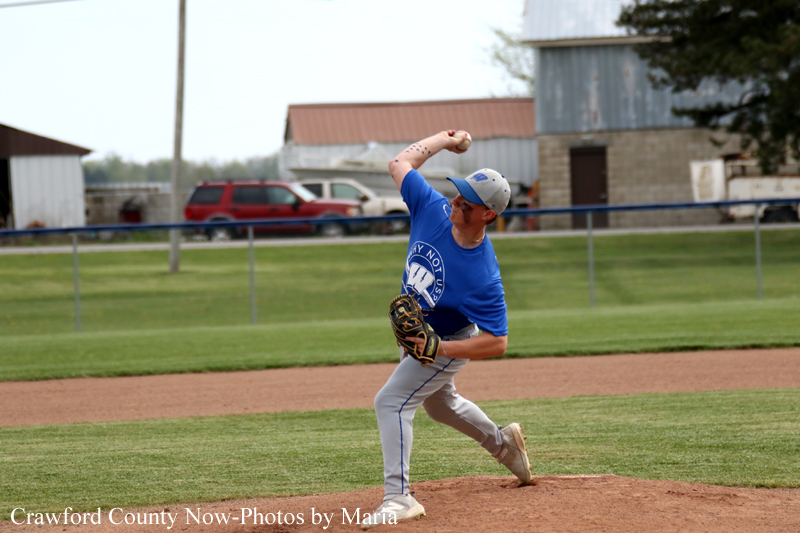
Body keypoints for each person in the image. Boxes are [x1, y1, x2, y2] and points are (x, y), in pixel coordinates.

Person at [361, 130, 532, 530]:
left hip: (446, 341)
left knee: (391, 402)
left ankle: (398, 496)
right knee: (440, 405)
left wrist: (439, 349)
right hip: (418, 338)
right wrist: (443, 139)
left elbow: (498, 342)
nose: (455, 201)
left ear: (487, 214)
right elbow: (398, 163)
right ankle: (503, 444)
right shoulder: (431, 208)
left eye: (466, 201)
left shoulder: (482, 277)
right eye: (457, 193)